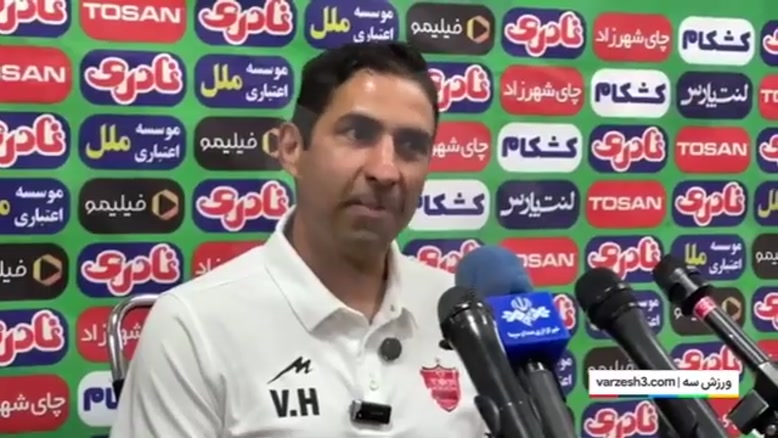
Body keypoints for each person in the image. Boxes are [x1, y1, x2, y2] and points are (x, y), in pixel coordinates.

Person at [109, 42, 489, 437]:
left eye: (411, 146)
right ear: (291, 148)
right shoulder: (192, 328)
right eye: (358, 134)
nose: (386, 170)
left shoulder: (461, 316)